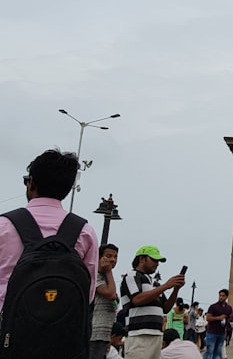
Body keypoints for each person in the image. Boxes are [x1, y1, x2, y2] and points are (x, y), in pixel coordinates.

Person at [0, 149, 99, 309]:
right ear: (67, 189)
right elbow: (88, 294)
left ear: (31, 183)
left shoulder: (4, 225)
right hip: (62, 329)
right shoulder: (84, 232)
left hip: (6, 325)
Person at [120, 245, 185, 359]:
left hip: (156, 334)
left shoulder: (154, 283)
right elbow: (137, 299)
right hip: (138, 334)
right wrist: (166, 286)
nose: (157, 264)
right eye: (154, 260)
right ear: (141, 259)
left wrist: (175, 289)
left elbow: (165, 308)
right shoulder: (131, 276)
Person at [90, 243, 120, 359]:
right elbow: (110, 294)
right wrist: (108, 271)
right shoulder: (95, 275)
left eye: (115, 256)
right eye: (108, 256)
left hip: (103, 335)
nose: (113, 259)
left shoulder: (105, 278)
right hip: (94, 333)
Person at [204, 288, 233, 359]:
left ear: (226, 297)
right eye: (220, 295)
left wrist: (231, 317)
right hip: (212, 332)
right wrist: (219, 318)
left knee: (218, 352)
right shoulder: (213, 307)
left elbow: (229, 319)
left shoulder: (228, 308)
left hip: (222, 333)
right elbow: (208, 318)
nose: (221, 297)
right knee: (210, 351)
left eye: (223, 296)